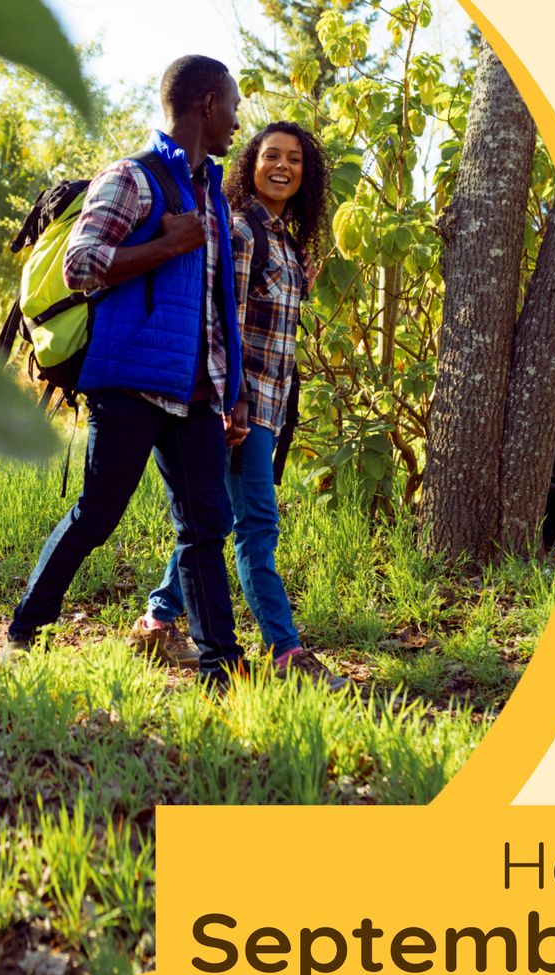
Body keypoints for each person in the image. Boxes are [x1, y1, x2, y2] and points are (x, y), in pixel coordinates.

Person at [4, 55, 247, 688]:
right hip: (130, 384)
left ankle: (222, 669)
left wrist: (233, 390)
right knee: (97, 515)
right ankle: (25, 631)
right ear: (206, 104)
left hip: (195, 393)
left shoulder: (212, 193)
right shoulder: (131, 178)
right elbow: (80, 265)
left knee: (205, 529)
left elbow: (217, 305)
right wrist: (167, 244)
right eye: (232, 105)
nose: (237, 119)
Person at [130, 121, 349, 689]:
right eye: (271, 155)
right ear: (251, 164)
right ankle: (285, 651)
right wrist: (236, 404)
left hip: (267, 406)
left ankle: (156, 623)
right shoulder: (244, 230)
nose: (283, 167)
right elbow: (226, 322)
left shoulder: (283, 239)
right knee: (257, 527)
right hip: (241, 408)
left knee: (218, 519)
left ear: (306, 174)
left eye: (294, 159)